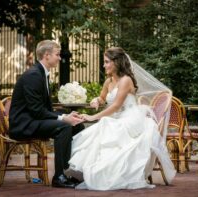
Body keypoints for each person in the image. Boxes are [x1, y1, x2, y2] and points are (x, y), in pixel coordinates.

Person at [66, 47, 176, 190]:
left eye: (106, 62)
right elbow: (103, 97)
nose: (104, 65)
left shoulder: (126, 80)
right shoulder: (108, 81)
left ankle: (109, 174)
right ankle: (91, 172)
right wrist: (97, 100)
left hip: (130, 119)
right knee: (104, 127)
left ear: (116, 62)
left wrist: (93, 116)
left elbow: (116, 106)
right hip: (116, 118)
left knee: (105, 124)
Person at [9, 40, 84, 188]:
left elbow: (43, 109)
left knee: (76, 125)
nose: (59, 58)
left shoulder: (42, 73)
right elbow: (36, 110)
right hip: (24, 124)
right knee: (64, 127)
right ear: (47, 55)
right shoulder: (34, 75)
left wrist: (68, 116)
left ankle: (72, 171)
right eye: (57, 54)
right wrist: (63, 118)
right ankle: (59, 177)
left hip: (33, 119)